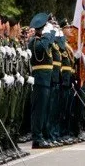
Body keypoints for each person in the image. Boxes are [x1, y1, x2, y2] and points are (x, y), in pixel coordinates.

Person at [28, 13, 54, 149]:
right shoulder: (34, 41)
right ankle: (36, 138)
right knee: (38, 110)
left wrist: (51, 30)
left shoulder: (43, 39)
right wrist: (48, 32)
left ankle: (43, 135)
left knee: (45, 110)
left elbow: (51, 42)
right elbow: (44, 46)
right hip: (39, 80)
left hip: (46, 79)